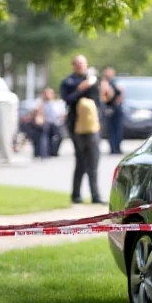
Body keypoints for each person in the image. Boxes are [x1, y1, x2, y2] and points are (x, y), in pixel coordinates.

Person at [60, 56, 104, 204]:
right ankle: (76, 195)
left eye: (82, 64)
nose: (80, 66)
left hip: (92, 127)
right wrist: (80, 89)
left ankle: (95, 195)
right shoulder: (69, 82)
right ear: (73, 66)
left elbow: (98, 102)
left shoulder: (92, 81)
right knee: (81, 161)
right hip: (76, 126)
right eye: (78, 64)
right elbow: (67, 100)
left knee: (94, 160)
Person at [31, 88, 65, 158]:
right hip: (46, 123)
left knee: (59, 136)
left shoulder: (58, 103)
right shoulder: (41, 103)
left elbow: (62, 114)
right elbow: (36, 113)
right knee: (44, 135)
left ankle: (54, 152)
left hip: (56, 123)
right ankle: (44, 153)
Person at [101, 66, 124, 154]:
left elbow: (121, 94)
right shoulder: (105, 83)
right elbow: (105, 97)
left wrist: (118, 102)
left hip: (116, 108)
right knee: (111, 130)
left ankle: (117, 147)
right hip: (109, 108)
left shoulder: (115, 83)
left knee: (118, 129)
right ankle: (113, 148)